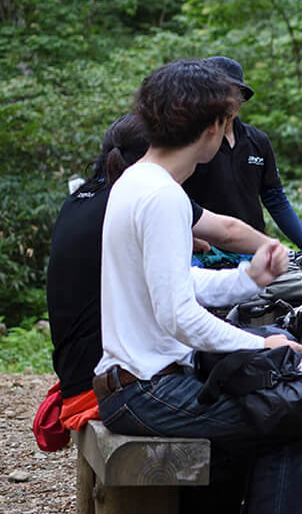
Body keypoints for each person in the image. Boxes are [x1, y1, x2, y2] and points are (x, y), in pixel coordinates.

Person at [93, 60, 302, 514]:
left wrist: (248, 279)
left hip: (133, 383)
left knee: (253, 418)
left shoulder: (137, 181)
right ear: (214, 126)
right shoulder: (163, 197)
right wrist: (263, 347)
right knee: (300, 417)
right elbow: (178, 315)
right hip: (147, 392)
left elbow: (175, 282)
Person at [47, 113, 272, 429]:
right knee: (277, 409)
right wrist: (275, 250)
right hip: (117, 379)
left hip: (79, 371)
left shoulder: (81, 199)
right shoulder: (151, 193)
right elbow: (227, 230)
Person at [183, 56, 302, 248]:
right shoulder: (190, 140)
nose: (230, 100)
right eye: (222, 92)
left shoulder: (257, 141)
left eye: (236, 93)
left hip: (251, 249)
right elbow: (176, 198)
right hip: (204, 253)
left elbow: (275, 198)